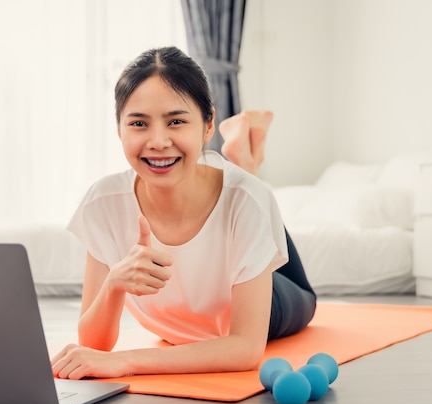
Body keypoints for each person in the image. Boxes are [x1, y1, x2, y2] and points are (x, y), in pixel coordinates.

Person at [51, 46, 316, 380]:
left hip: (258, 296)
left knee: (261, 217)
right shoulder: (102, 203)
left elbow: (246, 348)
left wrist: (129, 362)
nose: (158, 141)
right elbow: (93, 345)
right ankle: (244, 165)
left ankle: (245, 168)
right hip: (186, 320)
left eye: (176, 121)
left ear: (208, 127)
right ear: (119, 130)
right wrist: (114, 284)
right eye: (138, 123)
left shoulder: (247, 201)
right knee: (251, 200)